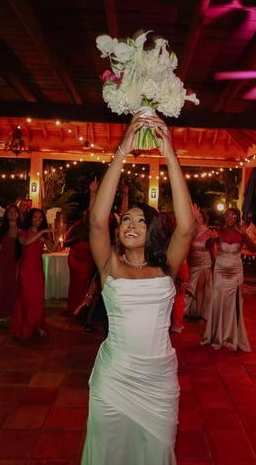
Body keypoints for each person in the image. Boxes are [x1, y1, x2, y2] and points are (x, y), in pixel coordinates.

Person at [81, 109, 194, 465]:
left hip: (158, 380)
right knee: (107, 452)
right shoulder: (109, 265)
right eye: (126, 219)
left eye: (141, 221)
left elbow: (187, 227)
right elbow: (98, 220)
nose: (130, 224)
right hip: (113, 377)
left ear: (154, 231)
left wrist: (170, 152)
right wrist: (123, 148)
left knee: (156, 451)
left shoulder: (166, 268)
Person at [201, 207, 256, 352]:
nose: (229, 218)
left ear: (237, 218)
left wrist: (245, 234)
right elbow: (206, 246)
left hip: (235, 272)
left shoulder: (241, 234)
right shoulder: (218, 232)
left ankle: (230, 336)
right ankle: (216, 335)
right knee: (218, 300)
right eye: (227, 216)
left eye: (232, 216)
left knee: (232, 304)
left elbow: (253, 249)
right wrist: (212, 239)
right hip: (220, 270)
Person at [9, 207, 59, 339]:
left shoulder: (42, 235)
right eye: (35, 217)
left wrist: (58, 235)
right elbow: (26, 242)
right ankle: (26, 325)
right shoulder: (22, 232)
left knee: (37, 299)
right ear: (30, 218)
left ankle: (36, 325)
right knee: (26, 298)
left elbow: (52, 248)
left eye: (40, 217)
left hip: (37, 271)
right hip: (26, 271)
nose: (38, 220)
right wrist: (42, 231)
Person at [63, 178, 98, 317]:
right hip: (75, 259)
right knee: (75, 285)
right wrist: (76, 240)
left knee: (85, 285)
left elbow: (94, 211)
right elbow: (66, 242)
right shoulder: (76, 226)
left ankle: (82, 308)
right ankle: (73, 306)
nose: (87, 215)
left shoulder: (93, 228)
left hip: (87, 259)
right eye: (85, 213)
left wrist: (93, 194)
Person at [0, 204, 21, 327]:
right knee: (2, 288)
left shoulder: (22, 229)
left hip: (18, 262)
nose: (13, 214)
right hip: (4, 262)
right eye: (10, 212)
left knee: (16, 288)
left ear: (19, 214)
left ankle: (15, 314)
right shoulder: (1, 230)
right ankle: (1, 315)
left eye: (15, 212)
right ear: (6, 214)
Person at [185, 205, 214, 320]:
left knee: (200, 288)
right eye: (197, 218)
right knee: (188, 288)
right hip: (192, 262)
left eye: (201, 218)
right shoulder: (189, 231)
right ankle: (185, 311)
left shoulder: (207, 232)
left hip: (203, 262)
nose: (199, 220)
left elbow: (212, 248)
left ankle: (199, 313)